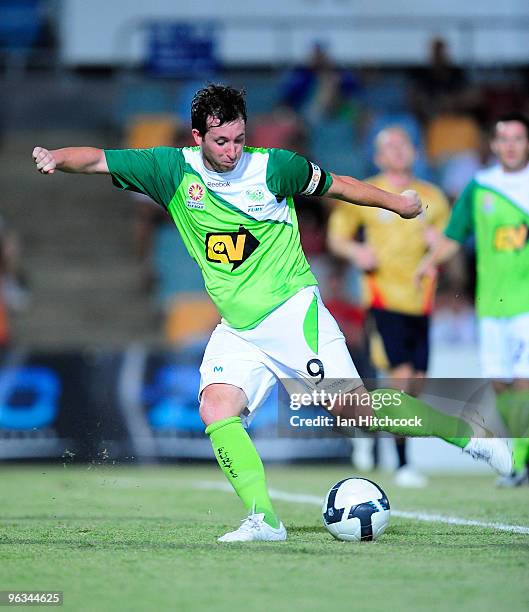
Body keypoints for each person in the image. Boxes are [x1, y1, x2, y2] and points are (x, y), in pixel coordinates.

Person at [32, 84, 511, 542]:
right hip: (239, 329)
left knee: (357, 409)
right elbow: (96, 158)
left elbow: (339, 186)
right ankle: (263, 518)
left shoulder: (273, 168)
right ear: (197, 137)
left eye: (240, 139)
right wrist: (56, 158)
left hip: (292, 313)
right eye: (221, 141)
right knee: (216, 408)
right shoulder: (169, 170)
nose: (232, 150)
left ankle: (467, 433)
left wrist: (397, 204)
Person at [327, 126, 450, 487]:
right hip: (383, 299)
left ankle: (365, 430)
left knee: (418, 385)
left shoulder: (434, 197)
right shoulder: (368, 191)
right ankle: (401, 464)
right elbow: (337, 237)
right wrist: (356, 251)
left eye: (403, 144)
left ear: (414, 151)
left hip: (420, 302)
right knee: (401, 377)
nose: (397, 151)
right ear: (378, 156)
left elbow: (449, 246)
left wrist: (437, 245)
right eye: (388, 146)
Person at [418, 112, 529, 487]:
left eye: (518, 138)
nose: (511, 146)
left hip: (527, 302)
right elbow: (453, 235)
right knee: (500, 382)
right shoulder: (480, 187)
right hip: (492, 303)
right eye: (504, 139)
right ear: (493, 145)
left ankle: (518, 463)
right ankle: (519, 457)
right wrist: (428, 264)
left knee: (524, 379)